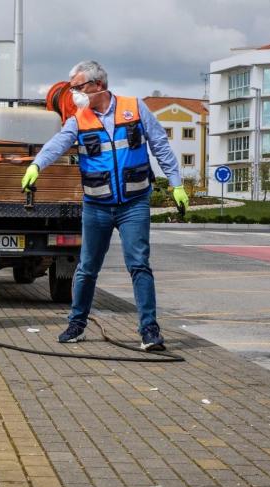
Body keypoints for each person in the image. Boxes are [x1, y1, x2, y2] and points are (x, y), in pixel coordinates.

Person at [22, 60, 189, 351]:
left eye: (77, 87)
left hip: (134, 203)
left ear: (97, 85)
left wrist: (176, 184)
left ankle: (149, 330)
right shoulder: (79, 119)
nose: (73, 93)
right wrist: (37, 165)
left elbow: (160, 145)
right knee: (87, 268)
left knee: (139, 265)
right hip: (97, 205)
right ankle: (76, 325)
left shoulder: (135, 108)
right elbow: (57, 144)